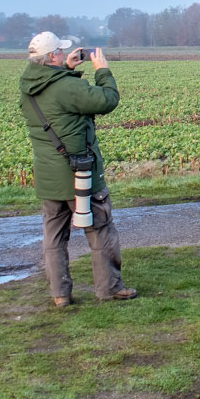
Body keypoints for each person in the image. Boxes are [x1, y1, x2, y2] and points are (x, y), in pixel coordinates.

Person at [19, 31, 136, 306]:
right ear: (51, 57)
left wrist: (68, 68)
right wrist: (103, 71)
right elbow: (107, 100)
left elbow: (56, 94)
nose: (63, 53)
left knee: (54, 238)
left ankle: (60, 294)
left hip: (49, 178)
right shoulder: (67, 88)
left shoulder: (28, 87)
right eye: (60, 51)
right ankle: (109, 288)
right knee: (100, 229)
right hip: (80, 174)